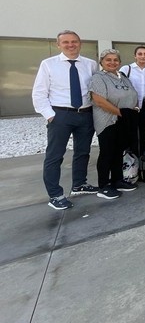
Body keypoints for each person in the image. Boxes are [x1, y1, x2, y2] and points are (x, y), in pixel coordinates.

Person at [32, 30, 99, 210]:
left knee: (83, 152)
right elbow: (39, 93)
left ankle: (79, 184)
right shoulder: (48, 64)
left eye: (74, 42)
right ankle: (55, 194)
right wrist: (50, 115)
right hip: (61, 115)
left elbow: (95, 89)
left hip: (85, 114)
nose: (71, 45)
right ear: (58, 44)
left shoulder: (90, 64)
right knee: (55, 156)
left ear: (80, 43)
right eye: (66, 42)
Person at [88, 49, 139, 200]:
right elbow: (99, 100)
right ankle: (103, 186)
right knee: (107, 153)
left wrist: (133, 108)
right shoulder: (98, 78)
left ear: (120, 62)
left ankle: (117, 180)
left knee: (118, 152)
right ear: (101, 62)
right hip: (108, 120)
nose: (112, 62)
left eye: (115, 60)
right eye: (108, 60)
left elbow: (132, 94)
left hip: (123, 120)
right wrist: (121, 112)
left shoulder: (122, 77)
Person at [120, 45, 145, 157]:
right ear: (135, 56)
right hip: (130, 105)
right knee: (129, 133)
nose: (143, 56)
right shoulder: (126, 69)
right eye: (140, 54)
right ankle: (131, 162)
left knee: (144, 134)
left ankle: (144, 162)